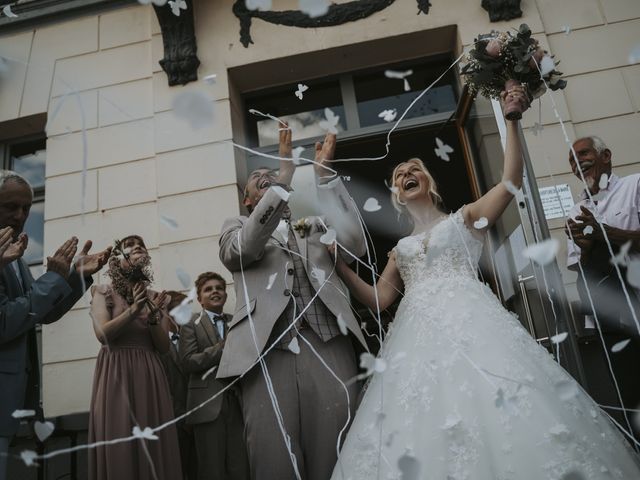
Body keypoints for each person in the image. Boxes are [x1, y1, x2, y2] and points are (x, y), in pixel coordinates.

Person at [329, 89, 640, 479]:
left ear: (429, 182)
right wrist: (340, 266)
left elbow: (510, 179)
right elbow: (378, 300)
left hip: (473, 323)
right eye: (398, 176)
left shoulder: (466, 218)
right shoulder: (400, 249)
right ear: (395, 194)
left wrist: (510, 119)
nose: (406, 175)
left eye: (414, 170)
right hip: (416, 337)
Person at [217, 126, 369, 480]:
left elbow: (355, 243)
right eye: (260, 179)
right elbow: (241, 250)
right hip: (267, 352)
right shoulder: (235, 227)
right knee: (273, 459)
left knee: (339, 452)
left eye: (273, 175)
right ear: (248, 200)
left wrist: (325, 177)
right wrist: (283, 179)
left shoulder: (313, 225)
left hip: (328, 342)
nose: (267, 178)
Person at [0, 170, 110, 480]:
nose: (21, 216)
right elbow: (6, 322)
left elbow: (39, 312)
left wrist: (75, 277)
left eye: (26, 208)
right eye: (10, 206)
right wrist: (53, 278)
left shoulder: (15, 256)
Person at [88, 235, 182, 480]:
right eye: (129, 246)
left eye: (142, 245)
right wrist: (133, 310)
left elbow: (162, 347)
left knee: (152, 437)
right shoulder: (103, 291)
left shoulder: (157, 297)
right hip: (116, 372)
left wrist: (152, 319)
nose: (138, 247)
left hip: (149, 371)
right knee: (120, 435)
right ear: (117, 262)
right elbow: (102, 334)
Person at [565, 136, 640, 440]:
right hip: (612, 319)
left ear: (605, 155)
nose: (576, 161)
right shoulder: (574, 211)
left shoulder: (635, 186)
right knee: (632, 393)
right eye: (571, 159)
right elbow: (580, 266)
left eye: (583, 153)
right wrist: (585, 246)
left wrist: (604, 233)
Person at [179, 272, 249, 480]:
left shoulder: (237, 322)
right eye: (208, 289)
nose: (215, 291)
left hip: (238, 403)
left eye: (219, 287)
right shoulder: (191, 323)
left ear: (225, 296)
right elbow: (188, 361)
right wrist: (221, 348)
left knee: (241, 467)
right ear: (199, 299)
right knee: (212, 469)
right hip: (207, 406)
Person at [160, 291, 197, 480]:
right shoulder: (159, 347)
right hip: (174, 420)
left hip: (198, 419)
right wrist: (182, 418)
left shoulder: (192, 340)